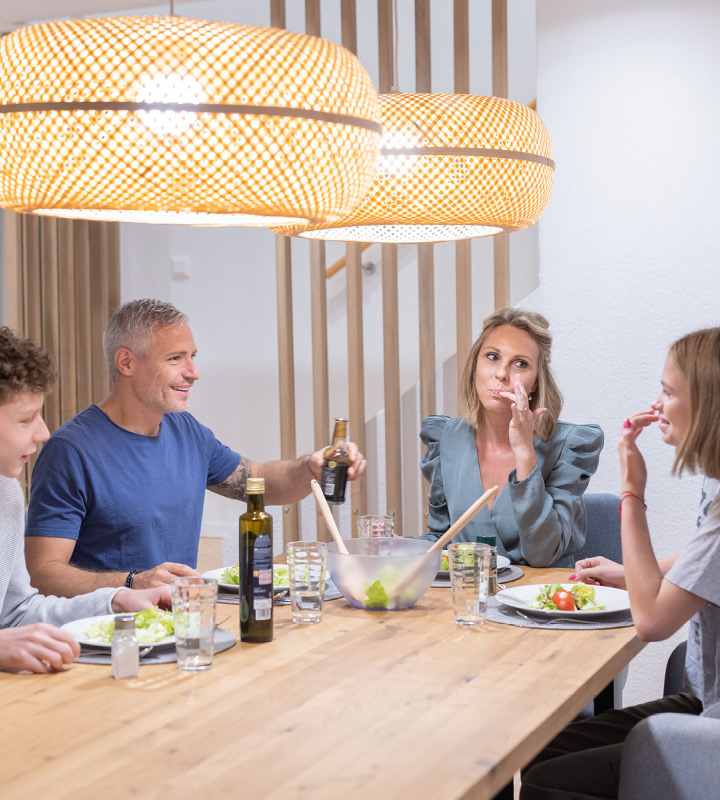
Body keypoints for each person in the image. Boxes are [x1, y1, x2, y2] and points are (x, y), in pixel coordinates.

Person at [25, 299, 366, 597]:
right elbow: (43, 575)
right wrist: (133, 582)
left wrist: (310, 466)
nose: (194, 372)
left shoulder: (185, 430)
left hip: (182, 621)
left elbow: (257, 480)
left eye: (192, 356)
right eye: (176, 358)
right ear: (126, 362)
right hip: (109, 636)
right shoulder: (70, 451)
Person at [520, 326, 720, 800]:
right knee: (546, 748)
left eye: (669, 392)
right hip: (702, 697)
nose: (656, 403)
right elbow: (705, 559)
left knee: (547, 780)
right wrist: (632, 575)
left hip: (710, 725)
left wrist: (632, 492)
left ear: (709, 406)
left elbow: (651, 623)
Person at [0, 328, 170, 674]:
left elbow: (16, 613)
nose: (44, 432)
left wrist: (113, 600)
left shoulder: (8, 493)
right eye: (25, 419)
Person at [419, 308, 603, 567]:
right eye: (492, 357)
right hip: (470, 598)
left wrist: (525, 452)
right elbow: (443, 539)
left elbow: (543, 553)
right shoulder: (447, 439)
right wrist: (397, 548)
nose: (502, 374)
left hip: (539, 601)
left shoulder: (570, 445)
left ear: (536, 382)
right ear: (475, 366)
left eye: (520, 363)